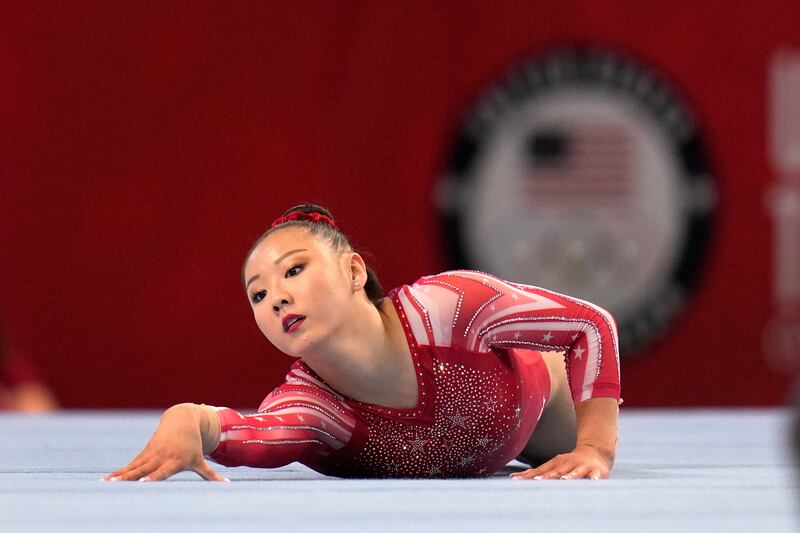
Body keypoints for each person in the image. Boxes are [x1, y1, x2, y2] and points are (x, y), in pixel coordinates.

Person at [104, 204, 620, 482]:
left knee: (574, 455)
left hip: (541, 413)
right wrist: (192, 419)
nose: (276, 299)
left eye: (295, 270)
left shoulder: (451, 310)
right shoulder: (313, 409)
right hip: (493, 452)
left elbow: (591, 326)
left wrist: (595, 447)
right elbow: (252, 432)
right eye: (257, 294)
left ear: (353, 270)